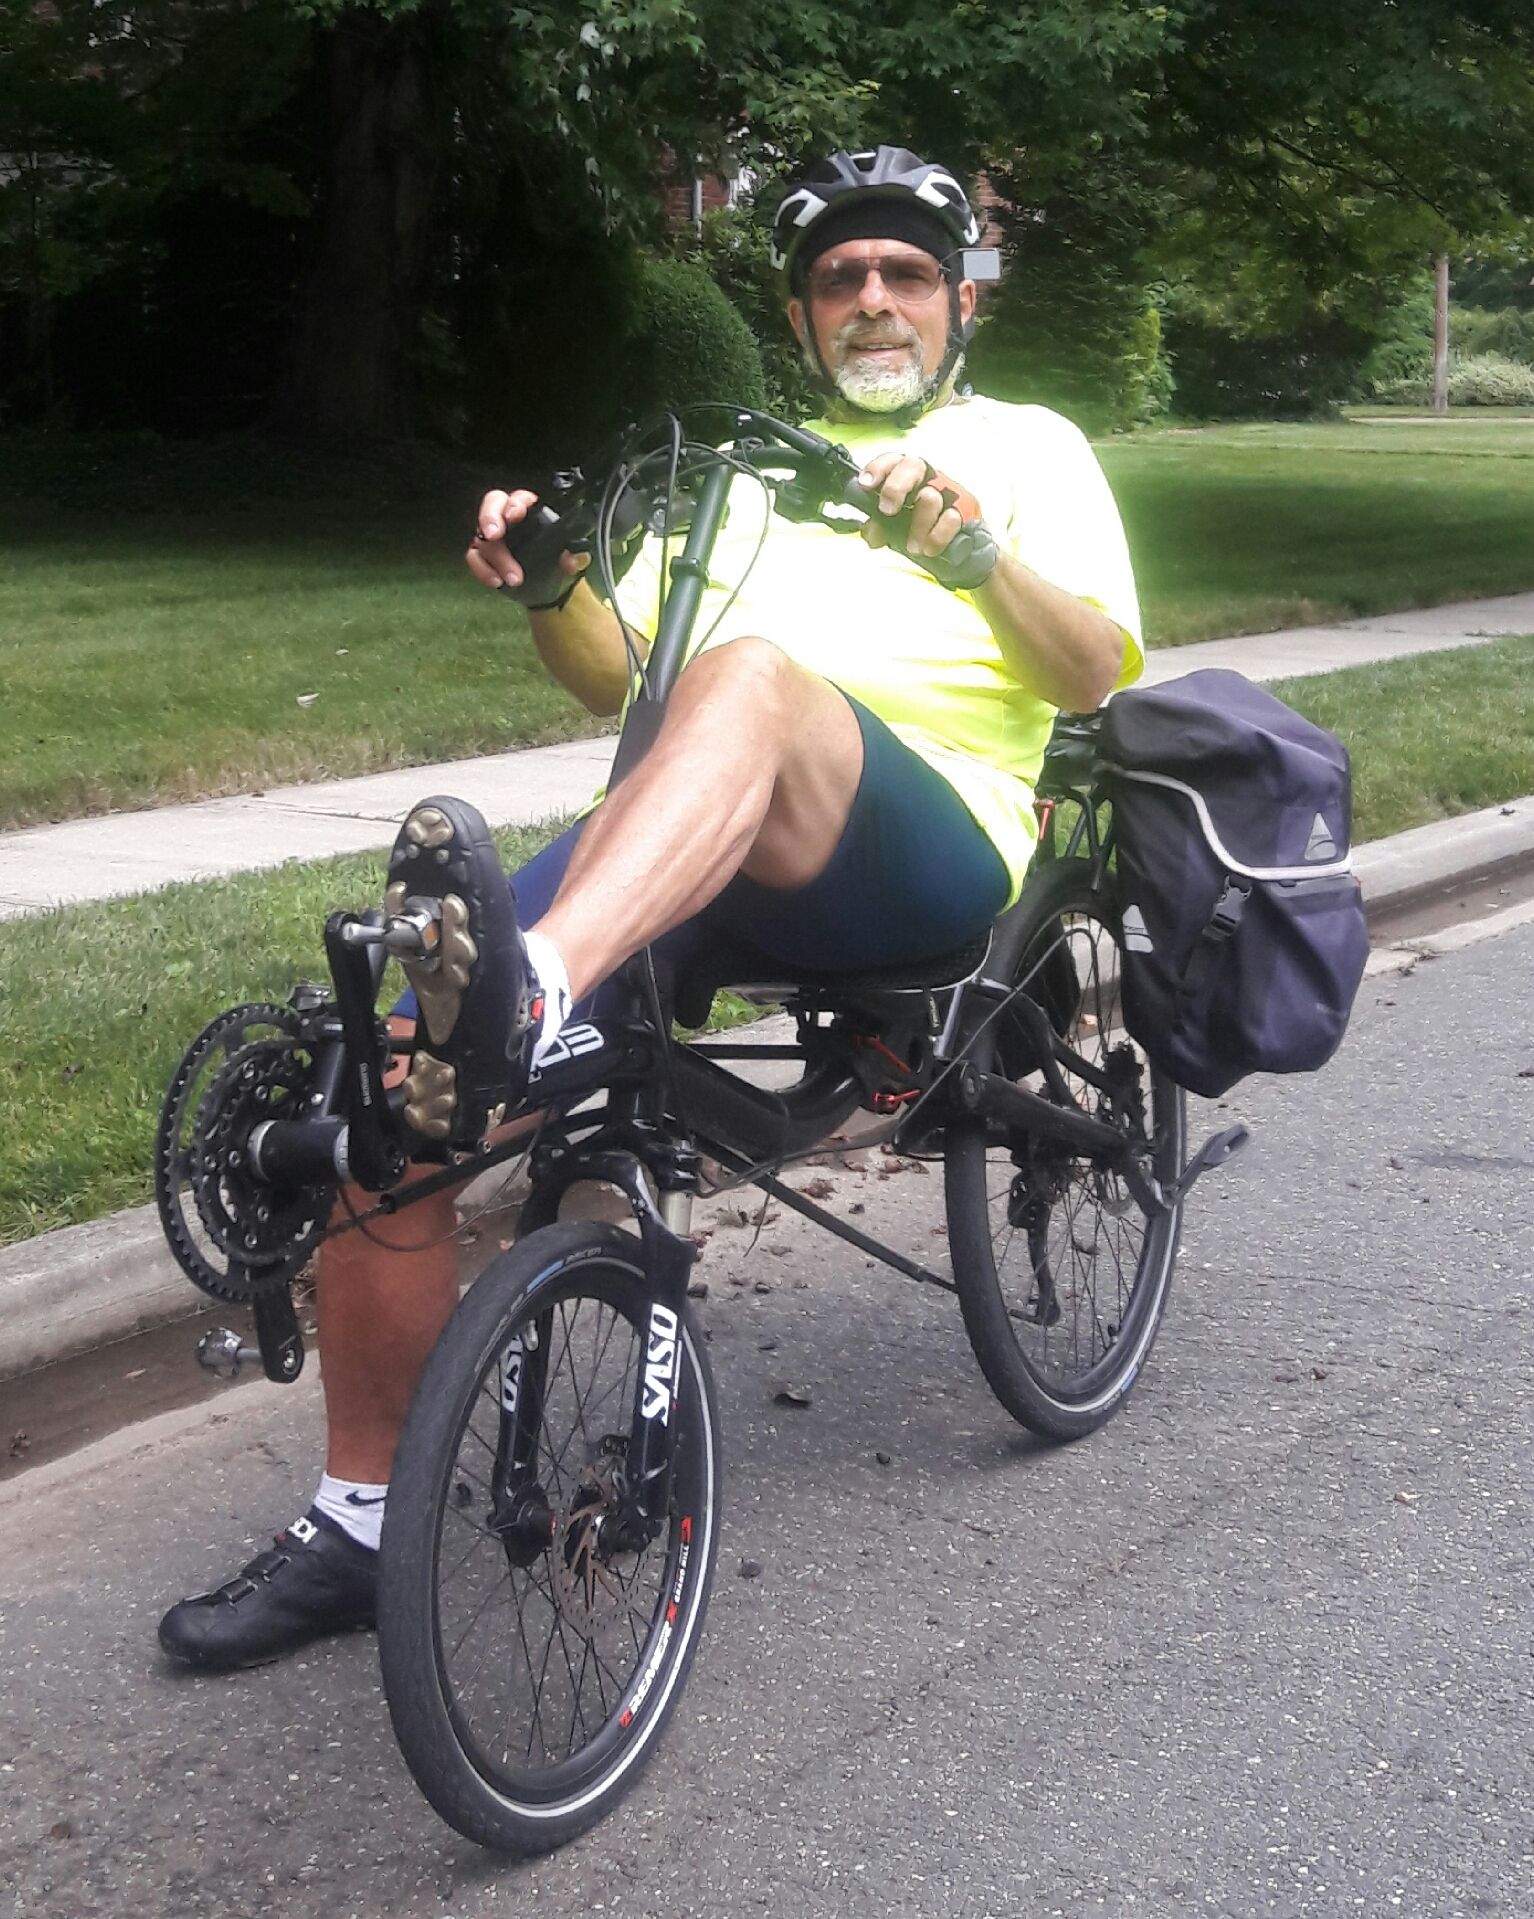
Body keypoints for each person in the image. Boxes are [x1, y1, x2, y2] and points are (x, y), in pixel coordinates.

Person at [158, 144, 1145, 1669]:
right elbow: (626, 680)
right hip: (689, 839)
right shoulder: (749, 472)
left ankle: (535, 993)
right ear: (803, 311)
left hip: (918, 843)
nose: (870, 299)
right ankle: (358, 1523)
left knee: (744, 685)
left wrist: (974, 550)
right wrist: (554, 584)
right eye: (837, 278)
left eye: (902, 275)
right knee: (393, 1063)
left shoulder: (1023, 446)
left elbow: (1088, 669)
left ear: (955, 305)